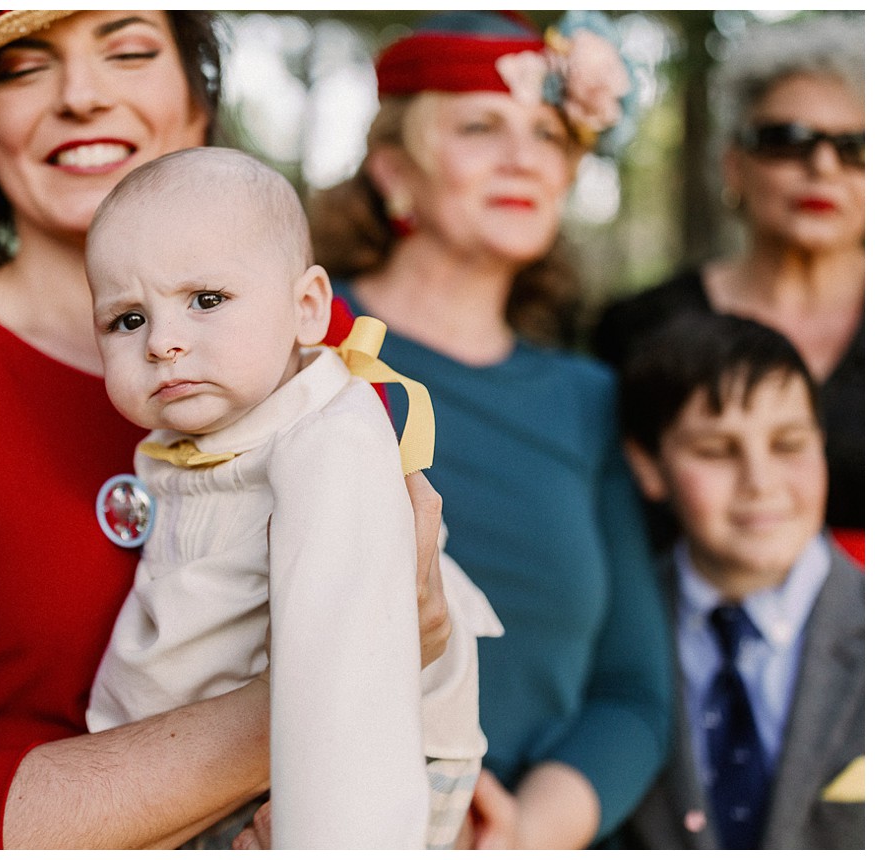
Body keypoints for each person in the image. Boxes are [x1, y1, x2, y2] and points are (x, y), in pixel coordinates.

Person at [0, 11, 450, 850]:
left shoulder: (307, 349)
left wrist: (442, 777)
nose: (82, 96)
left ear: (197, 104)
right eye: (24, 69)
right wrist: (342, 685)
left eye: (128, 51)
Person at [305, 11, 671, 849]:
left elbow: (632, 693)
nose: (523, 158)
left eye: (548, 134)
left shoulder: (589, 398)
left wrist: (526, 834)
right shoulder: (306, 343)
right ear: (395, 172)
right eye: (480, 127)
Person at [82, 146, 502, 849]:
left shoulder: (331, 441)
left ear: (307, 308)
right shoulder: (215, 430)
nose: (162, 342)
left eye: (206, 301)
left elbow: (347, 665)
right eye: (127, 320)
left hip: (355, 776)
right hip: (234, 764)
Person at [592, 13, 864, 564]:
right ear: (733, 166)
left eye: (854, 147)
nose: (822, 166)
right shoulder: (639, 327)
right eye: (786, 140)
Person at [615, 311, 864, 849]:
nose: (760, 481)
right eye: (716, 451)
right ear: (649, 467)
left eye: (789, 444)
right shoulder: (615, 625)